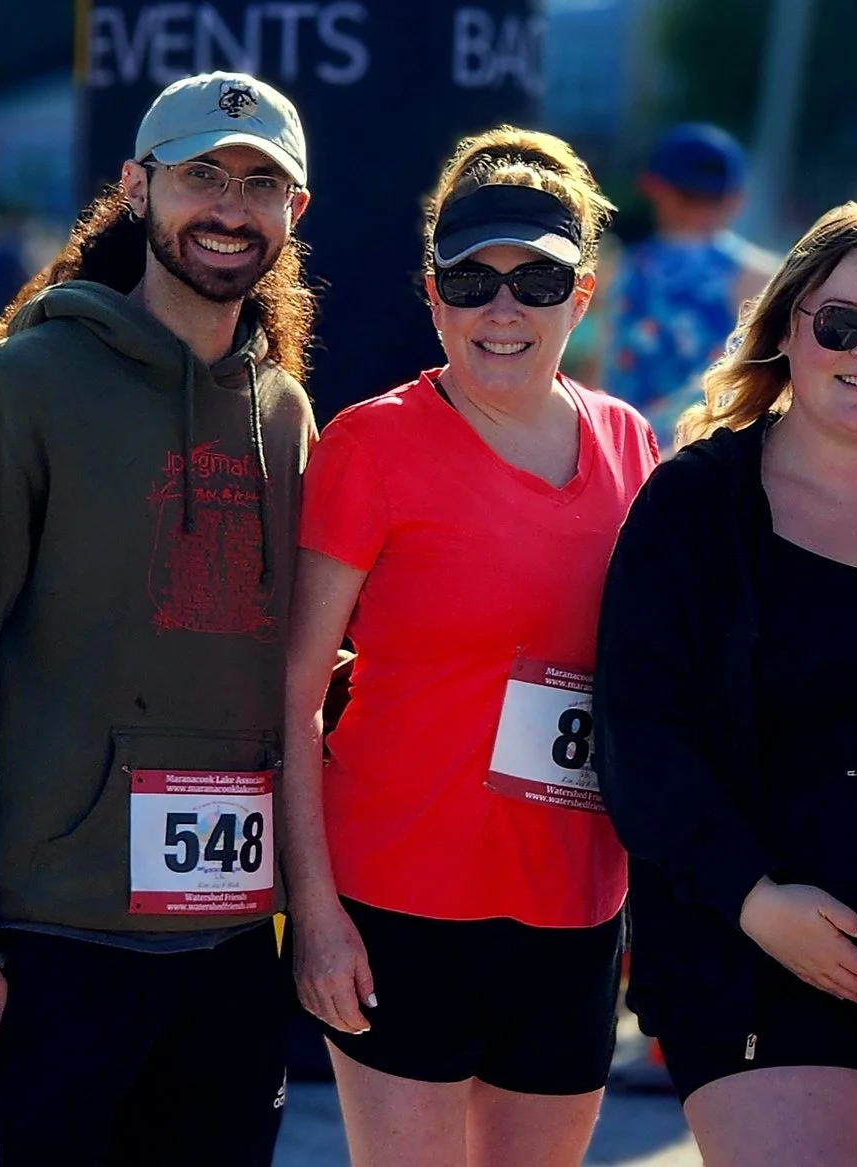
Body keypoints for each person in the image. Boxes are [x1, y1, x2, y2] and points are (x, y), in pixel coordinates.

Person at [0, 71, 316, 1165]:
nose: (228, 206)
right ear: (137, 186)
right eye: (201, 175)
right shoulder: (20, 388)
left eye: (260, 184)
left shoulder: (283, 409)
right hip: (51, 938)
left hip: (228, 947)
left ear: (292, 213)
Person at [595, 202, 857, 1166]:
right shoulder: (699, 503)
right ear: (786, 326)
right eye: (837, 323)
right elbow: (640, 729)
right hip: (759, 951)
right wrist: (754, 898)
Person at [279, 126, 653, 1167]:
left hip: (574, 911)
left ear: (581, 298)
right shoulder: (372, 444)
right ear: (432, 295)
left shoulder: (631, 444)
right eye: (472, 281)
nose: (503, 310)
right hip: (398, 900)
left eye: (537, 282)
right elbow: (293, 695)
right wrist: (312, 918)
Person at [602, 123, 778, 443]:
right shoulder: (761, 278)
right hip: (706, 456)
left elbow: (594, 368)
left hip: (622, 446)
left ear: (655, 188)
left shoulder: (614, 270)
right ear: (735, 200)